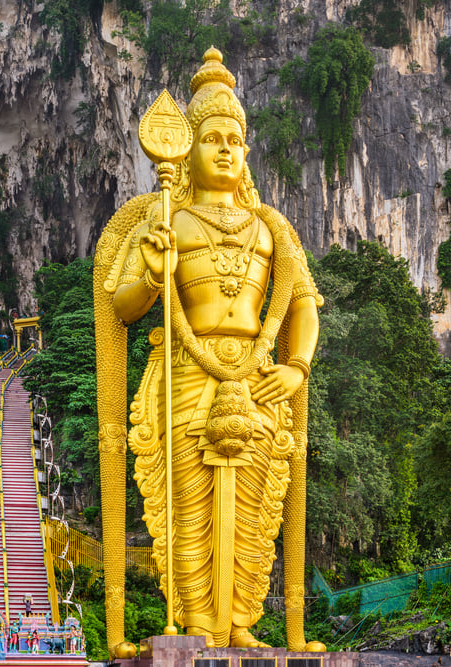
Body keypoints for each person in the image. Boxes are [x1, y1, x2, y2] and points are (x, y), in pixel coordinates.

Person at [98, 48, 322, 648]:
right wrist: (152, 269)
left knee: (256, 507)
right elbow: (119, 305)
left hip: (257, 376)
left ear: (245, 152)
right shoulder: (165, 218)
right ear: (186, 150)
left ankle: (244, 622)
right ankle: (197, 622)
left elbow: (302, 302)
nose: (225, 149)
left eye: (235, 139)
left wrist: (296, 367)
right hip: (183, 373)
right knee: (186, 507)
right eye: (212, 138)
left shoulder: (271, 227)